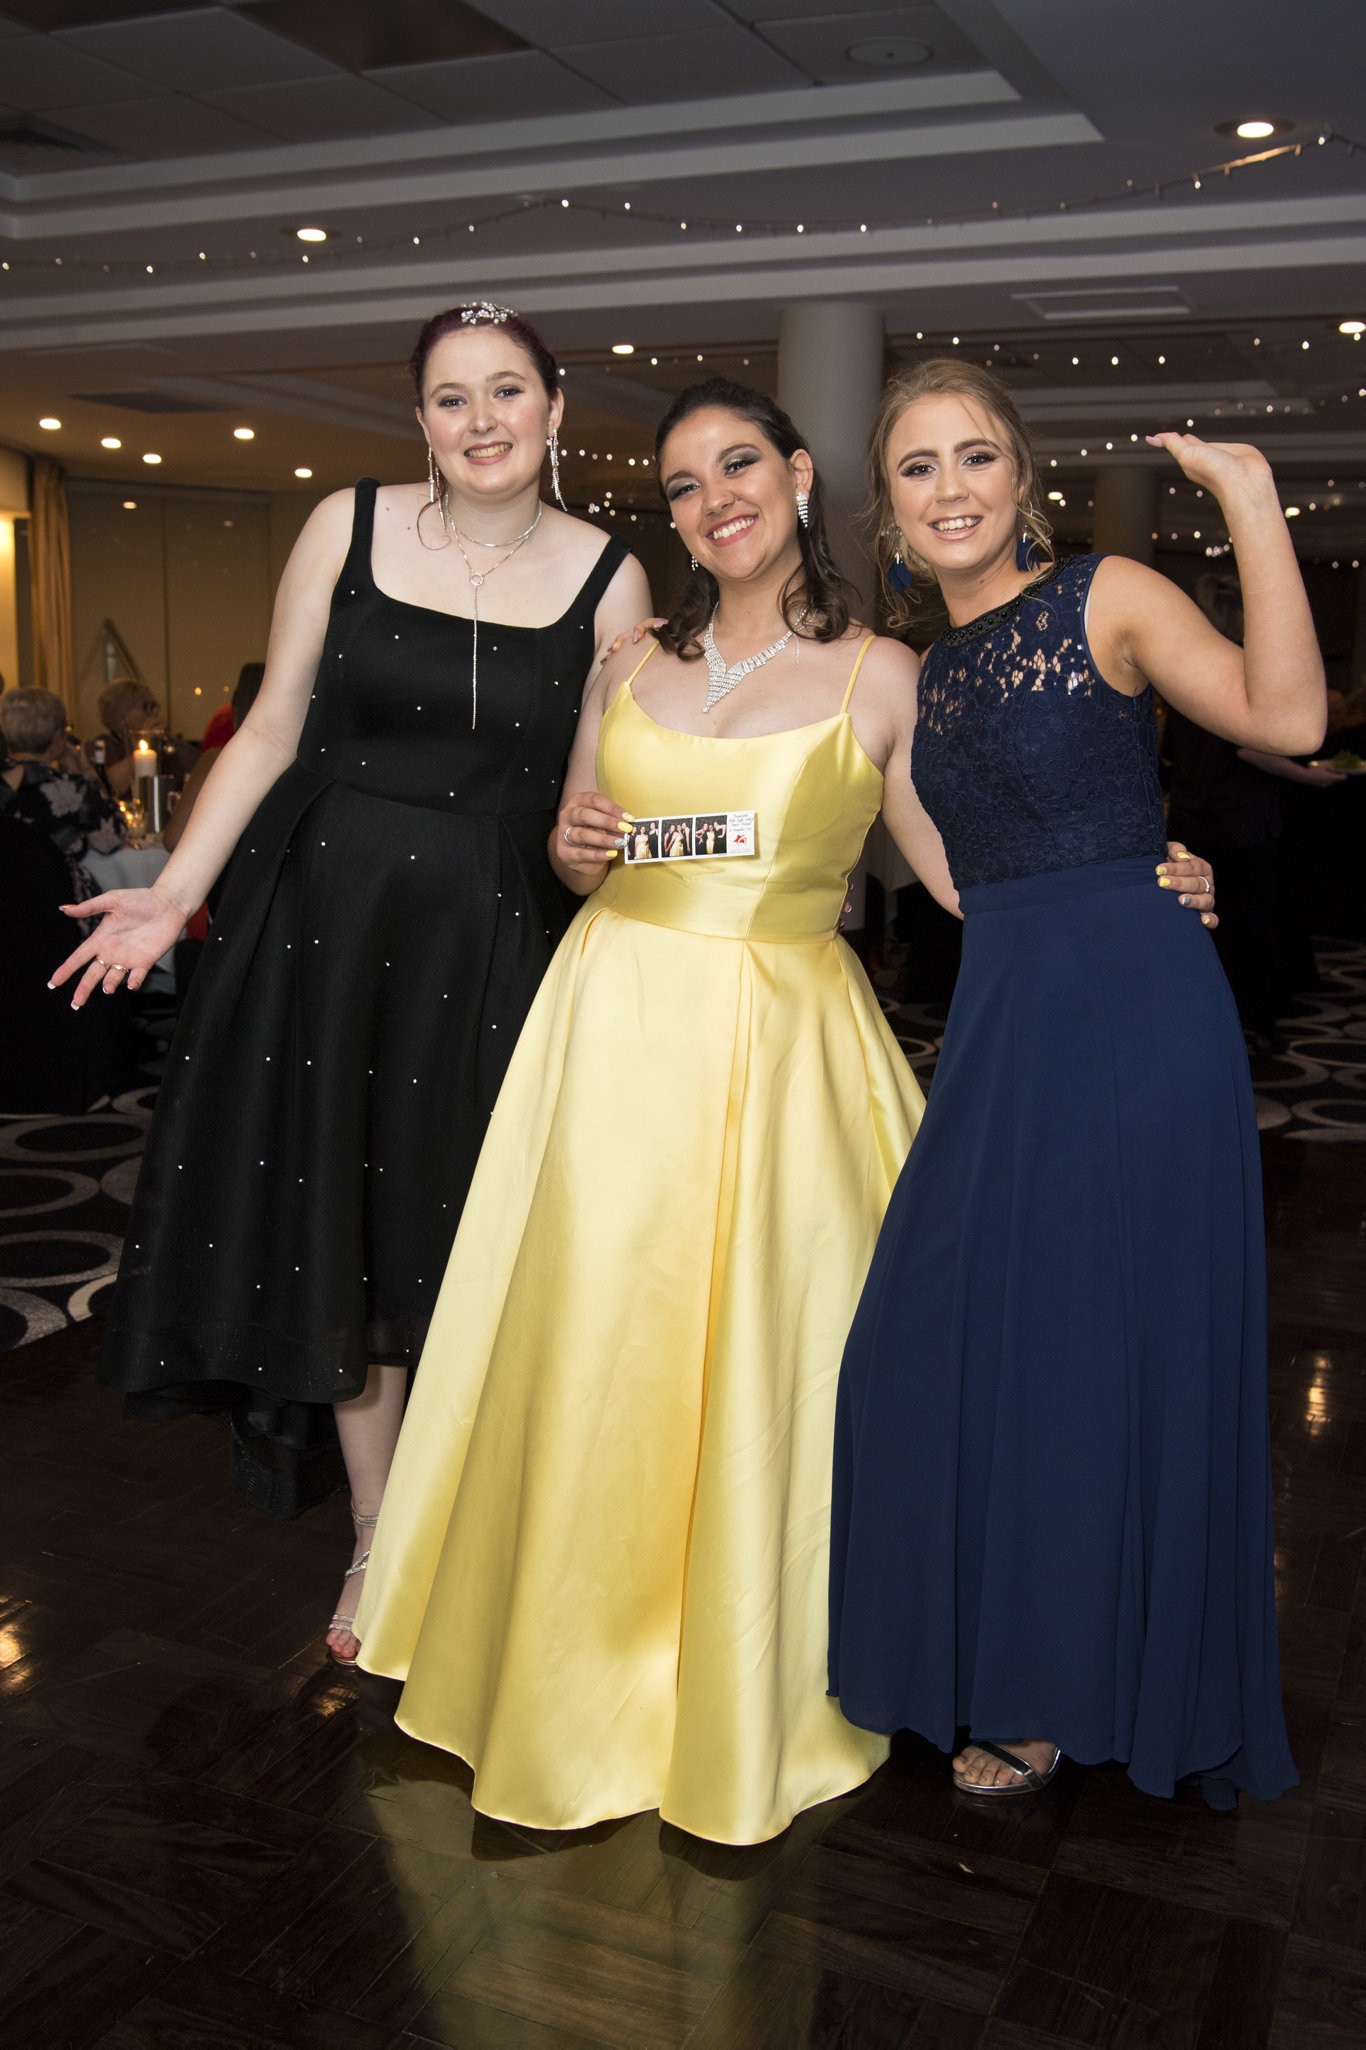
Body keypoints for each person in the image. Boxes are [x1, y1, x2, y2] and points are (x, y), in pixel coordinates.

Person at [353, 379, 1219, 1845]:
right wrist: (573, 851)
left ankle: (776, 1663)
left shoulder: (892, 672)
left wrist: (1141, 876)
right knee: (598, 1347)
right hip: (614, 1036)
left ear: (800, 476)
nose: (713, 501)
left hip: (786, 1048)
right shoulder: (622, 657)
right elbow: (586, 846)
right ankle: (574, 1660)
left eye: (737, 465)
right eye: (683, 484)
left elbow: (968, 874)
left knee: (799, 1356)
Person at [48, 301, 649, 1663]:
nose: (481, 419)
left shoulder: (613, 575)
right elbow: (268, 728)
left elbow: (588, 802)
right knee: (350, 1230)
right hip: (326, 926)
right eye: (451, 396)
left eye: (507, 391)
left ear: (554, 411)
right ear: (418, 418)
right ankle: (378, 1537)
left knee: (473, 1245)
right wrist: (178, 887)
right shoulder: (345, 526)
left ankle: (483, 1524)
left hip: (496, 942)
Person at [828, 360, 1320, 1809]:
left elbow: (1283, 719)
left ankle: (1051, 1693)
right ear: (890, 510)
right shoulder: (909, 673)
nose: (950, 489)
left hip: (1136, 1018)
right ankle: (986, 1642)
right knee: (924, 1337)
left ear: (1018, 474)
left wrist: (1245, 501)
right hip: (1001, 1024)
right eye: (917, 469)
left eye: (974, 456)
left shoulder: (1104, 592)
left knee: (1096, 1354)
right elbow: (954, 876)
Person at [1165, 573, 1344, 1041]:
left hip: (1195, 813)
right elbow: (1251, 745)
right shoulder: (1239, 667)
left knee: (1208, 925)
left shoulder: (1178, 668)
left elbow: (1169, 748)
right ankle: (1252, 1020)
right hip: (1237, 819)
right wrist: (1309, 774)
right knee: (1249, 922)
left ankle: (1216, 1017)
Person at [1, 686, 127, 911]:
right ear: (59, 735)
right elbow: (111, 841)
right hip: (57, 911)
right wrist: (88, 775)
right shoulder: (73, 788)